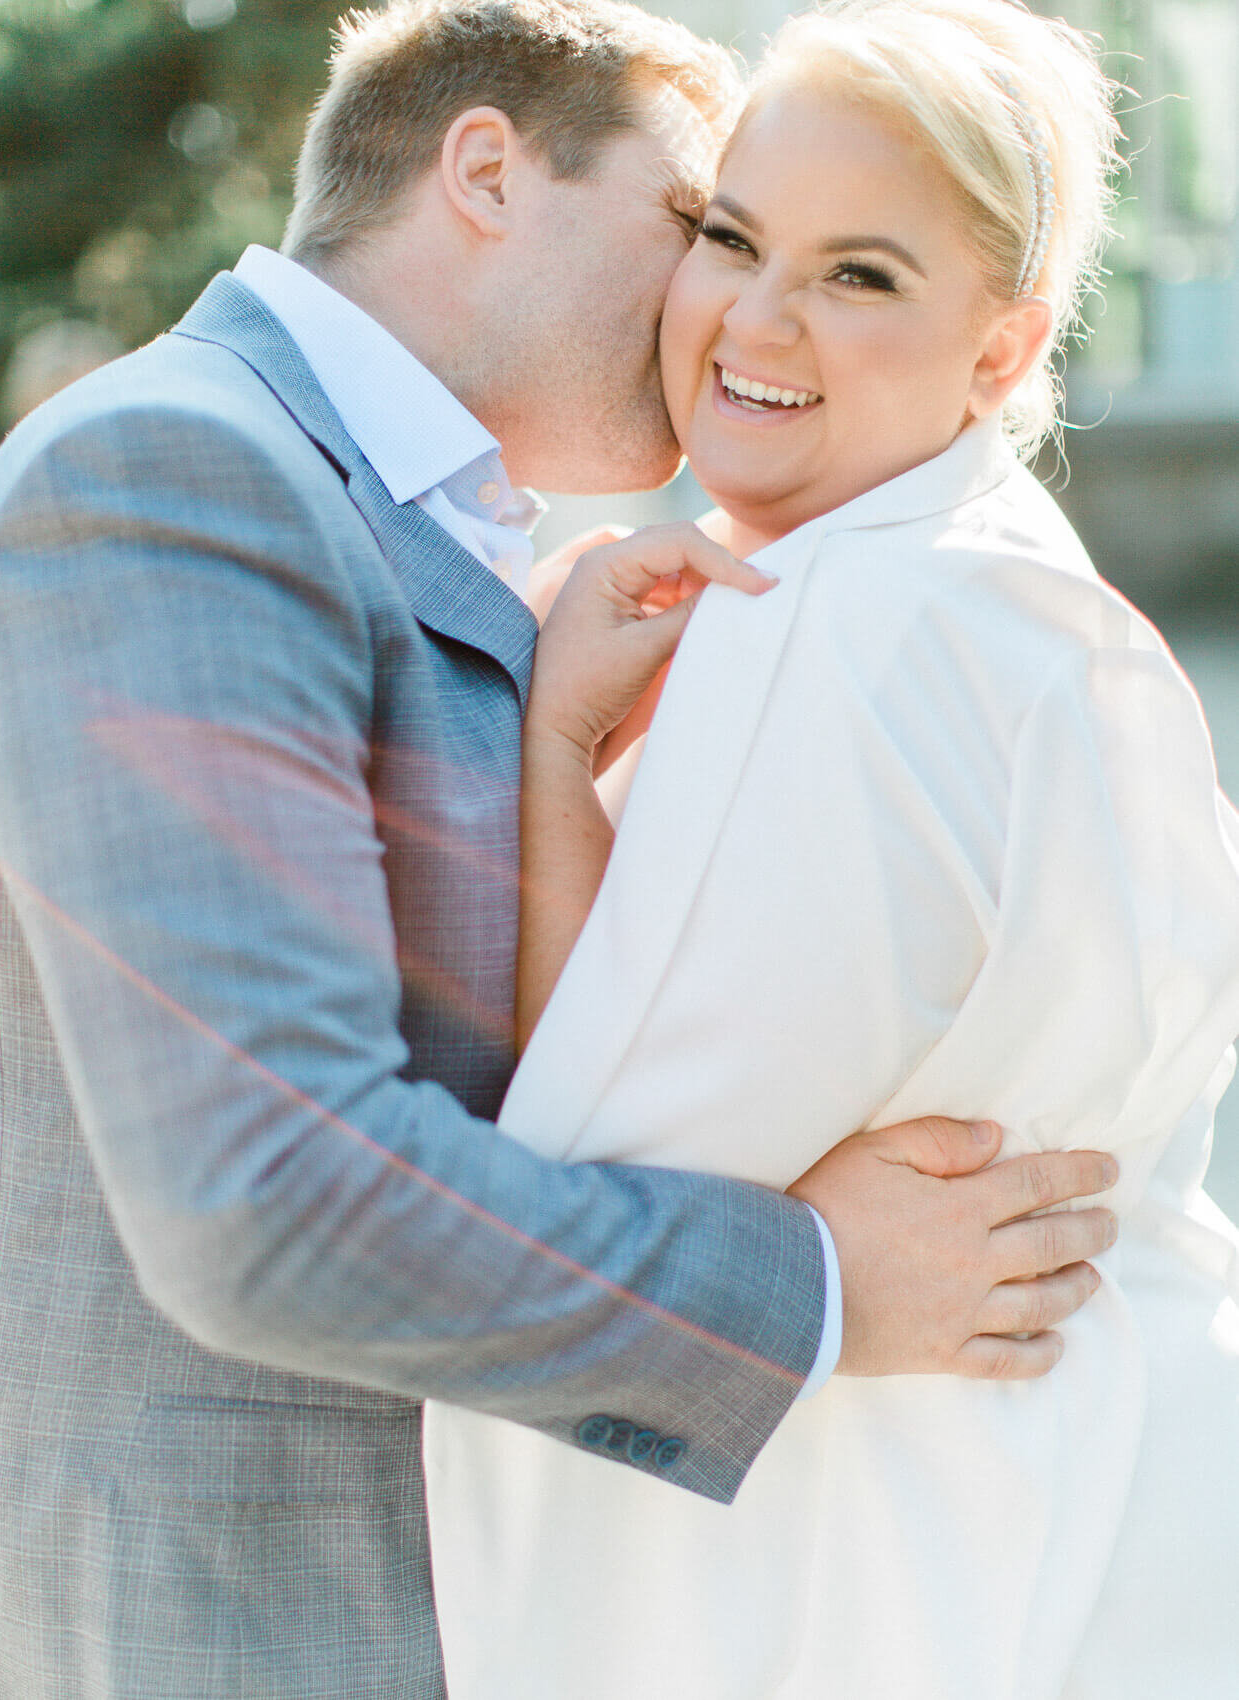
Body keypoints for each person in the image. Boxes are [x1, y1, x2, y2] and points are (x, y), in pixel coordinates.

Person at [0, 2, 1117, 1696]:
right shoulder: (175, 471)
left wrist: (556, 750)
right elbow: (266, 1203)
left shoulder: (398, 528)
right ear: (489, 172)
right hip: (249, 1608)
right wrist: (816, 1285)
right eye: (698, 227)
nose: (707, 303)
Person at [422, 2, 1239, 1696]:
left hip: (867, 1593)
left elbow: (591, 1197)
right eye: (732, 235)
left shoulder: (851, 623)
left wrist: (557, 760)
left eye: (861, 275)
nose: (754, 317)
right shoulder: (1015, 591)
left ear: (1003, 354)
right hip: (1065, 1538)